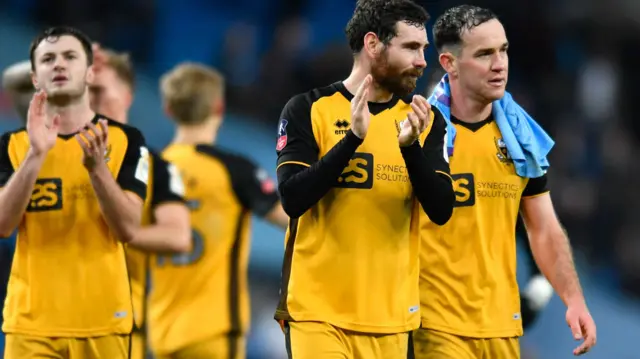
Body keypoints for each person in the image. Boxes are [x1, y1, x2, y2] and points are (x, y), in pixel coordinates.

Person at [412, 5, 596, 359]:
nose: (500, 64)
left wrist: (573, 299)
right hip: (433, 328)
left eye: (504, 50)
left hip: (501, 331)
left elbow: (543, 228)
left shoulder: (520, 137)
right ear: (449, 64)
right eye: (485, 54)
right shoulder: (413, 132)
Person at [273, 0, 455, 358]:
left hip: (390, 321)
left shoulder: (426, 121)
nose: (422, 61)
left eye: (423, 50)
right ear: (373, 44)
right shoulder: (308, 109)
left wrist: (410, 149)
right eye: (410, 48)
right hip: (317, 314)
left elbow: (441, 209)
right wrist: (352, 140)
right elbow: (293, 198)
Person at [0, 26, 150, 359]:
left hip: (104, 322)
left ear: (90, 72)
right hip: (30, 326)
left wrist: (98, 170)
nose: (59, 65)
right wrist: (36, 154)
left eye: (70, 56)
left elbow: (128, 229)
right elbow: (2, 225)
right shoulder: (11, 146)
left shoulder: (127, 140)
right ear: (35, 78)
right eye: (48, 59)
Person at [147, 62, 289, 359]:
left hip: (160, 330)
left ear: (168, 110)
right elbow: (293, 224)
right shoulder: (234, 170)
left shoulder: (150, 170)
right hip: (213, 331)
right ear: (219, 108)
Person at [88, 44, 192, 359]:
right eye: (82, 92)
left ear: (128, 96)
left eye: (98, 91)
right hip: (48, 320)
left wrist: (121, 232)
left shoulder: (155, 165)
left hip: (116, 325)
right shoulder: (49, 155)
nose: (88, 102)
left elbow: (177, 235)